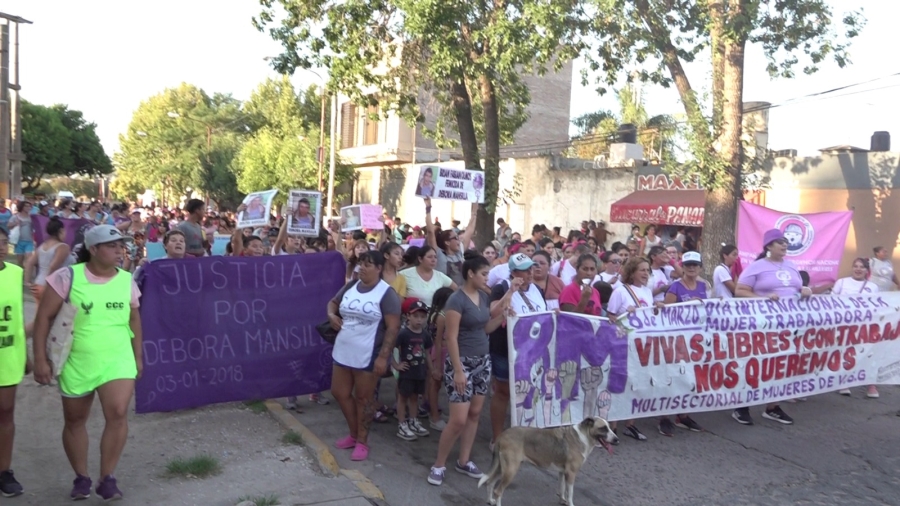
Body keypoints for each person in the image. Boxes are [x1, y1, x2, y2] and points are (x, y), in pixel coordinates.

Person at [32, 225, 142, 501]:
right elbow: (44, 318)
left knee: (118, 412)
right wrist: (41, 360)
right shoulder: (67, 277)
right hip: (76, 361)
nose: (120, 251)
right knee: (75, 419)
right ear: (93, 249)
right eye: (112, 245)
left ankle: (107, 478)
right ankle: (81, 476)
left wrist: (137, 356)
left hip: (117, 359)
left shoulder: (127, 280)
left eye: (121, 246)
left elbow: (134, 319)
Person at [428, 255, 507, 487]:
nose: (487, 278)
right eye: (484, 273)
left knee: (474, 414)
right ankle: (439, 464)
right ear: (471, 274)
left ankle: (464, 460)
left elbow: (485, 329)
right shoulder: (456, 300)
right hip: (461, 362)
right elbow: (450, 337)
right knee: (458, 419)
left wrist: (503, 315)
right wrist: (459, 371)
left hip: (483, 361)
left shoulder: (483, 297)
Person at [732, 229, 812, 426]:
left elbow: (795, 290)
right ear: (768, 246)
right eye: (779, 242)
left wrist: (805, 290)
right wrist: (762, 298)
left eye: (785, 242)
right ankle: (742, 406)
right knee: (755, 364)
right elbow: (739, 291)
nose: (784, 245)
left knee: (779, 366)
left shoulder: (792, 266)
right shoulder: (757, 267)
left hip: (788, 326)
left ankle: (772, 407)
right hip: (762, 325)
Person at [328, 250, 401, 461]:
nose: (362, 268)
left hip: (369, 353)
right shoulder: (351, 286)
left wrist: (383, 357)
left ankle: (362, 440)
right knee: (339, 393)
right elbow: (333, 303)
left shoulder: (387, 294)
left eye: (368, 265)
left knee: (364, 399)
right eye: (361, 264)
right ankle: (353, 434)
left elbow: (393, 328)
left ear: (379, 268)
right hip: (343, 349)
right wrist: (332, 315)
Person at [487, 253, 545, 448]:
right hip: (505, 349)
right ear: (513, 272)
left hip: (532, 351)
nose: (531, 272)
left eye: (532, 268)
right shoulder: (501, 287)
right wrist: (511, 292)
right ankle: (497, 437)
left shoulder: (537, 289)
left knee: (529, 391)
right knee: (503, 392)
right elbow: (493, 312)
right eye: (526, 269)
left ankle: (525, 436)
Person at [606, 256, 663, 441]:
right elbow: (609, 317)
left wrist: (657, 308)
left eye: (648, 270)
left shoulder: (647, 291)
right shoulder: (620, 292)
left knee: (636, 383)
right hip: (622, 344)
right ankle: (612, 425)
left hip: (642, 345)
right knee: (620, 383)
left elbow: (648, 314)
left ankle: (631, 424)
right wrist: (625, 314)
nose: (646, 273)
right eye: (642, 270)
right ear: (632, 272)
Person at [658, 251, 708, 435]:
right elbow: (665, 313)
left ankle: (682, 415)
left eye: (695, 264)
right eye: (688, 265)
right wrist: (687, 305)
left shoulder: (704, 286)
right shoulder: (675, 287)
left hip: (696, 340)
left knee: (690, 378)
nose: (692, 268)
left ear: (700, 266)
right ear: (683, 267)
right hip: (676, 339)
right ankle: (663, 417)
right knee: (671, 378)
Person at [0, 227, 28, 497]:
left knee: (6, 413)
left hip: (7, 355)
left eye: (4, 242)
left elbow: (18, 319)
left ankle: (4, 470)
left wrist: (27, 355)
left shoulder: (15, 273)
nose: (0, 246)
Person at [833, 258, 880, 398]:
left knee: (868, 353)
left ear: (867, 270)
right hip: (844, 325)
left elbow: (877, 306)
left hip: (865, 326)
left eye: (862, 267)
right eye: (856, 266)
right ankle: (843, 381)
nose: (858, 269)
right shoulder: (841, 282)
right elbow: (831, 302)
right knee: (846, 352)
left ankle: (871, 384)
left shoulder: (873, 287)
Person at [394, 299, 435, 441]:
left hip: (420, 372)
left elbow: (428, 353)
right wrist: (395, 365)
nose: (419, 320)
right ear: (408, 316)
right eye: (416, 316)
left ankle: (413, 420)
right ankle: (401, 424)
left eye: (422, 317)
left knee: (414, 398)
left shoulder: (425, 335)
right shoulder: (403, 334)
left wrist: (431, 370)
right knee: (403, 397)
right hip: (407, 373)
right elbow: (390, 348)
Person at [427, 199, 477, 286]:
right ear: (447, 242)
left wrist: (474, 210)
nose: (459, 240)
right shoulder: (438, 255)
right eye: (456, 238)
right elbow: (430, 232)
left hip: (459, 295)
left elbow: (469, 231)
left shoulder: (459, 253)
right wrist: (428, 207)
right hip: (444, 295)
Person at [426, 287, 455, 431]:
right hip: (440, 352)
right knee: (435, 384)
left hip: (447, 352)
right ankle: (434, 417)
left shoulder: (444, 314)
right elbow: (437, 341)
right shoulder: (441, 316)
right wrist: (437, 364)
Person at [24, 217, 73, 301]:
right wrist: (48, 285)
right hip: (53, 286)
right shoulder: (62, 247)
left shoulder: (43, 245)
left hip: (38, 284)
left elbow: (29, 262)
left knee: (40, 313)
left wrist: (27, 282)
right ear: (60, 231)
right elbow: (53, 266)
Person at [7, 201, 34, 267]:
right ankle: (21, 273)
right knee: (20, 262)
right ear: (21, 207)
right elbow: (8, 226)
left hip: (29, 241)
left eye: (29, 206)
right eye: (26, 206)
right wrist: (15, 223)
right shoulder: (15, 217)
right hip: (18, 241)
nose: (28, 207)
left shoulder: (31, 217)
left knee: (29, 259)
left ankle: (27, 273)